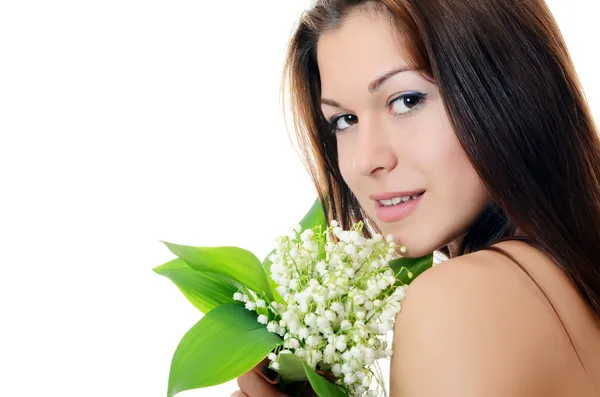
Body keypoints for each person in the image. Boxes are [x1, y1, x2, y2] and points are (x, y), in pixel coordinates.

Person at [232, 0, 600, 395]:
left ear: (511, 92)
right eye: (345, 120)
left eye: (407, 100)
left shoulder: (457, 300)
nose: (365, 160)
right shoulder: (567, 278)